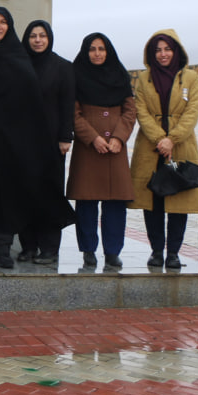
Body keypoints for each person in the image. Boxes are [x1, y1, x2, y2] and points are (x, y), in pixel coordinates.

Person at [0, 7, 74, 268]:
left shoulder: (19, 56)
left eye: (3, 22)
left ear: (9, 26)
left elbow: (30, 102)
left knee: (7, 194)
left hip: (11, 142)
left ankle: (2, 250)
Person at [130, 30, 198, 269]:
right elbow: (141, 111)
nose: (163, 54)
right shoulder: (144, 79)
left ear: (176, 51)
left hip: (181, 146)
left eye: (167, 49)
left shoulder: (190, 78)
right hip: (151, 148)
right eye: (158, 50)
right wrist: (160, 139)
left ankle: (173, 253)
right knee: (153, 202)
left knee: (178, 201)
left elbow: (192, 113)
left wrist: (172, 139)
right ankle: (156, 251)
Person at [67, 32, 136, 268]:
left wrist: (119, 137)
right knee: (87, 202)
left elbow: (130, 111)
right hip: (88, 150)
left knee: (115, 203)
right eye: (92, 49)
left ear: (109, 51)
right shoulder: (76, 75)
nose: (97, 54)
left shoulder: (120, 75)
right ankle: (88, 250)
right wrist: (93, 138)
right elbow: (73, 113)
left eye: (101, 49)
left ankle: (112, 251)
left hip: (115, 150)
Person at [18, 19, 74, 265]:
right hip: (23, 142)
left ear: (49, 38)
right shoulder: (19, 65)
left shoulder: (62, 67)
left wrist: (65, 137)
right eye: (33, 36)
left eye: (42, 35)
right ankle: (28, 246)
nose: (38, 40)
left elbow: (67, 104)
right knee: (25, 193)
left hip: (52, 142)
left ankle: (50, 248)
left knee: (50, 194)